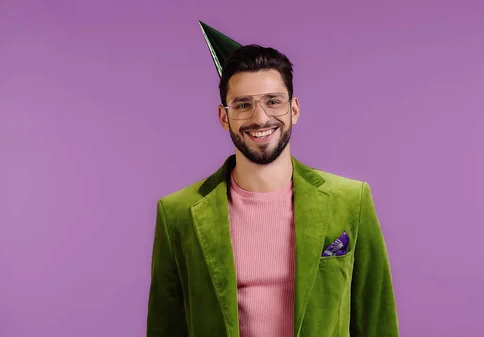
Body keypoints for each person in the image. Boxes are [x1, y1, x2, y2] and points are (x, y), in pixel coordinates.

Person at [146, 40, 399, 337]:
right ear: (224, 117)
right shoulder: (178, 212)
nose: (260, 118)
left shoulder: (350, 200)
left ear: (294, 109)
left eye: (273, 101)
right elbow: (165, 327)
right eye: (243, 104)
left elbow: (376, 320)